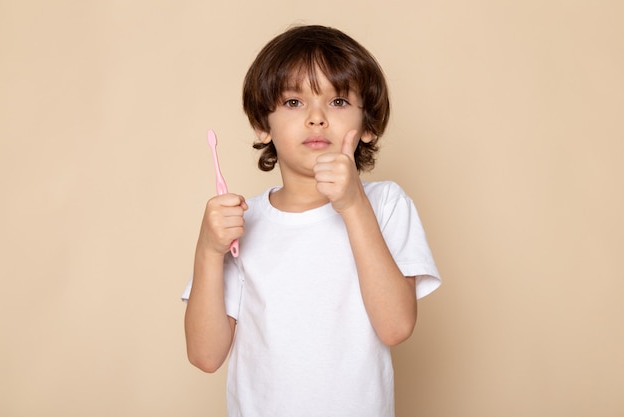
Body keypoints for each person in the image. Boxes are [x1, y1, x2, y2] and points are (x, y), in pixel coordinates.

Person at [182, 24, 441, 417]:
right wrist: (207, 251)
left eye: (337, 102)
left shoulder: (385, 203)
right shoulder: (243, 222)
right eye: (293, 102)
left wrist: (353, 206)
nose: (316, 118)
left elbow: (395, 327)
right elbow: (205, 355)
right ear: (261, 125)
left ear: (368, 126)